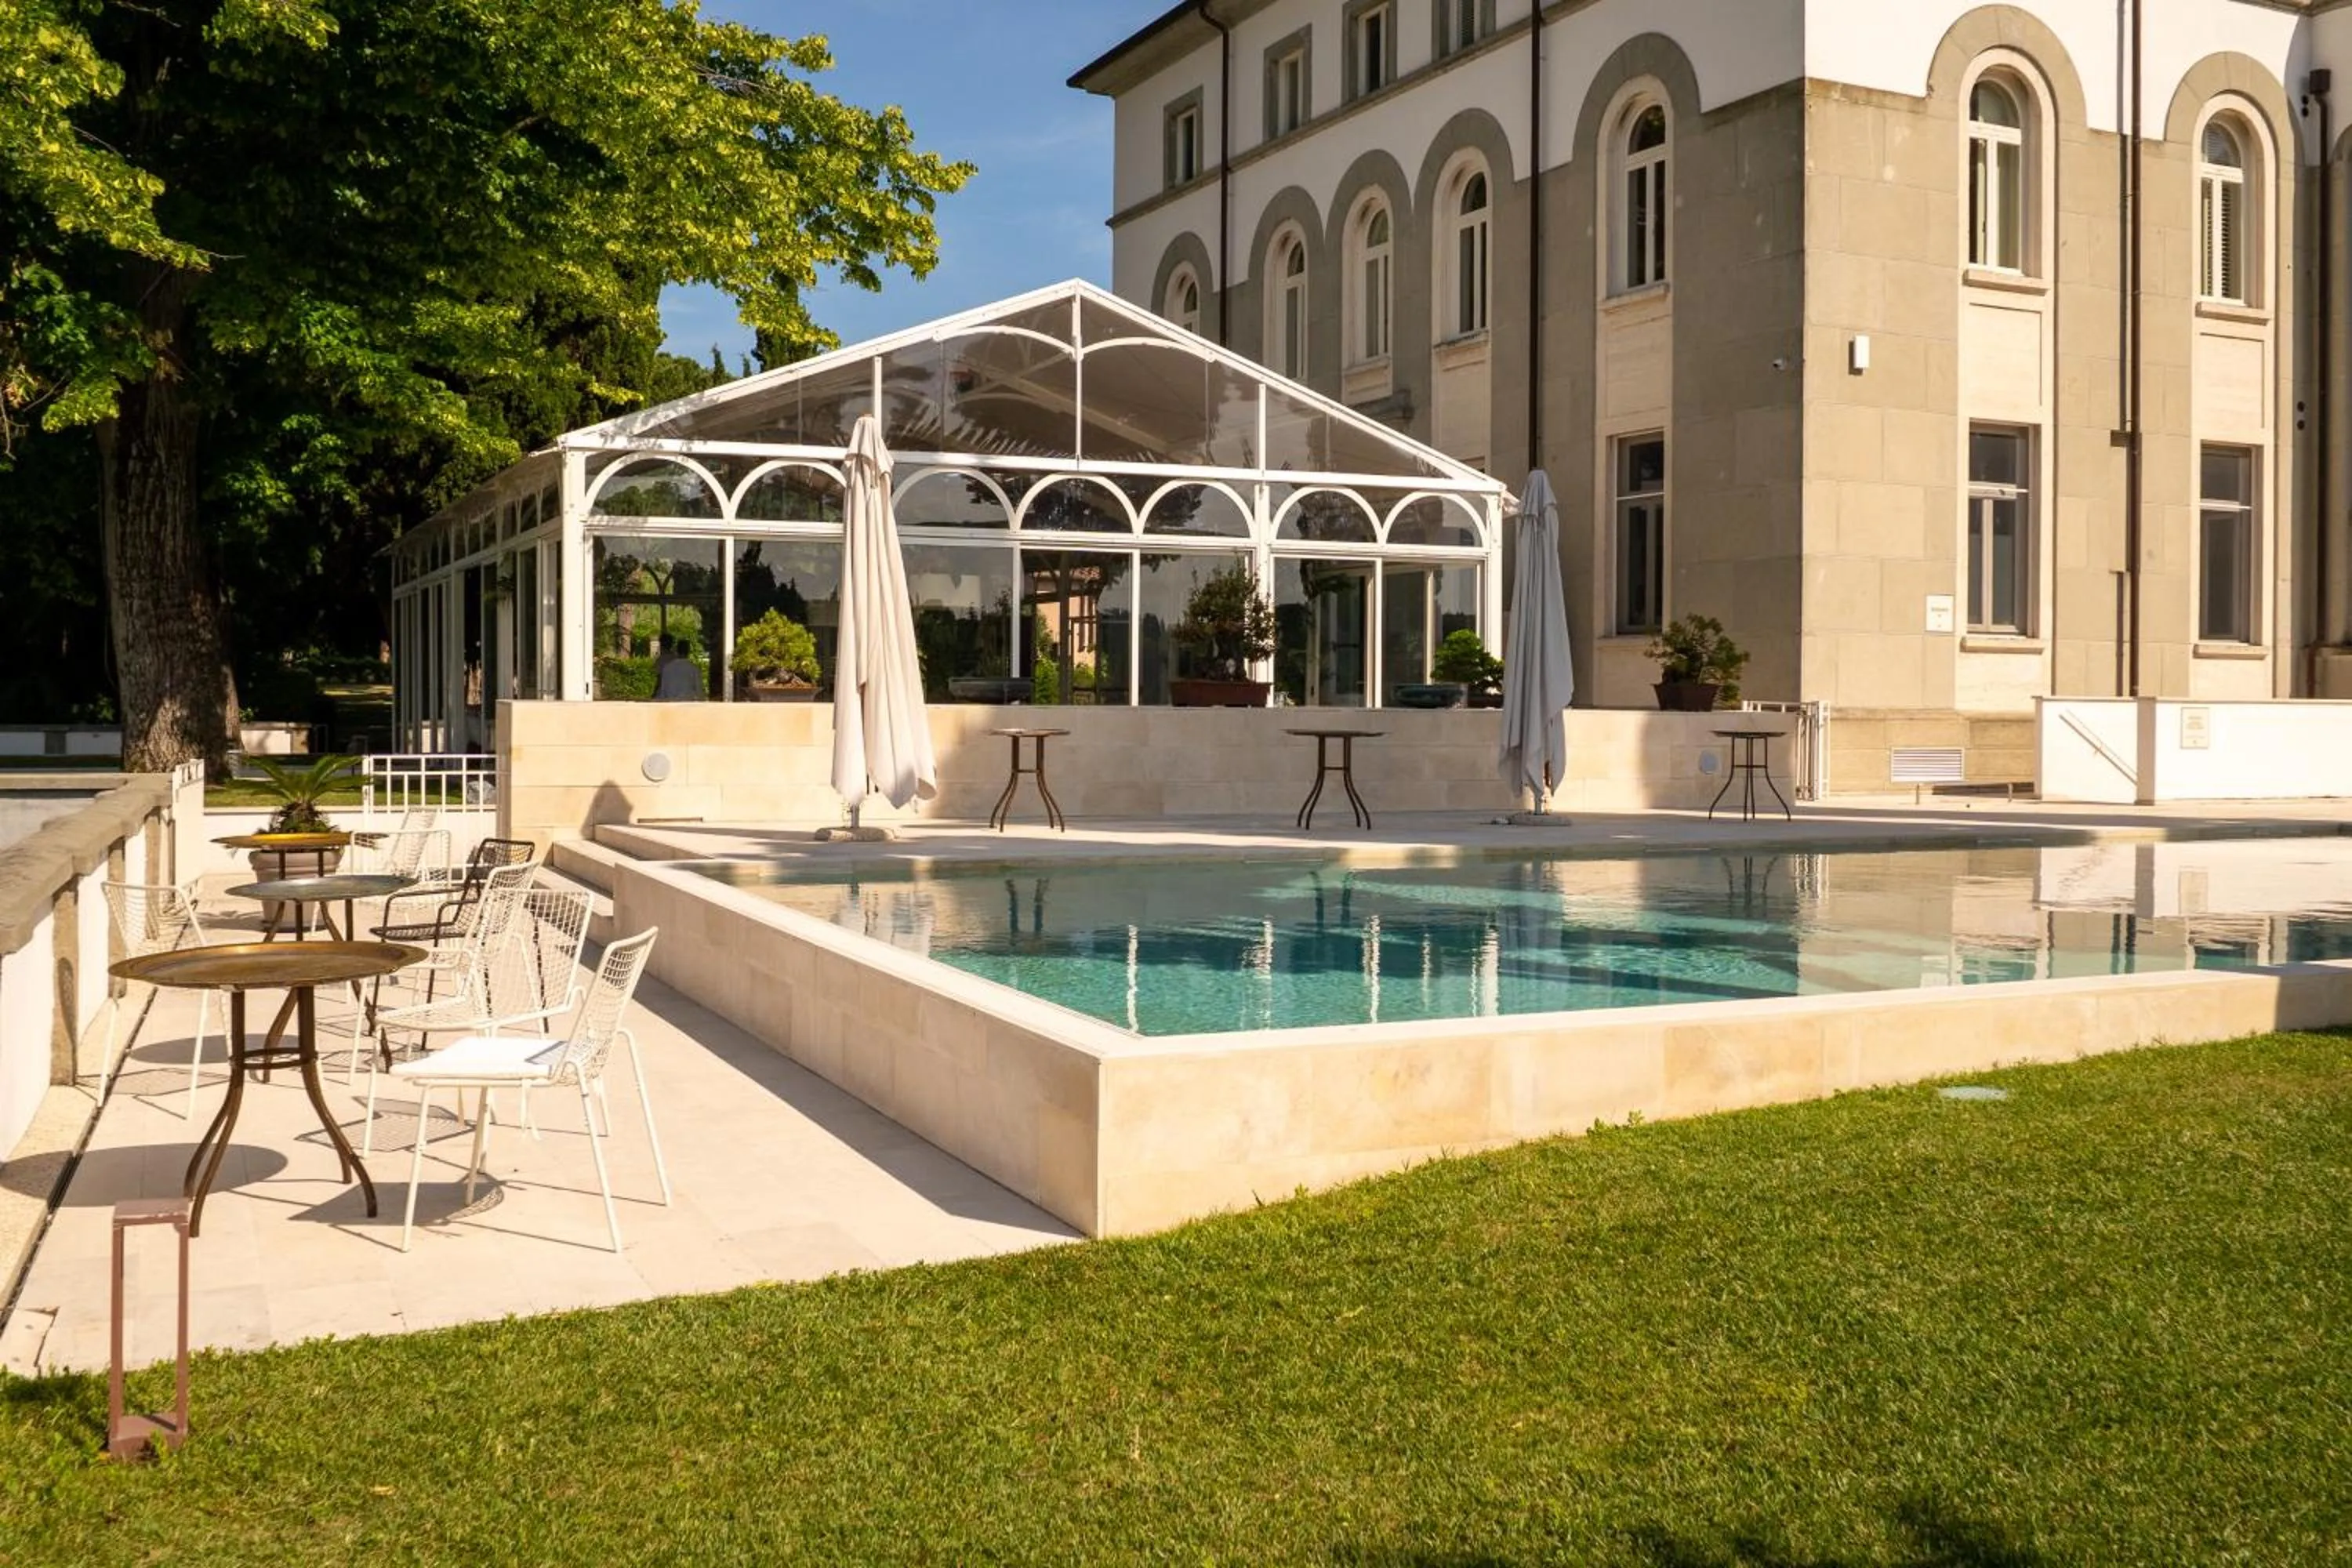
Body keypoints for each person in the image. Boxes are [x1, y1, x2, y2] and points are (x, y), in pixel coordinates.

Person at [654, 635, 704, 701]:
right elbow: (699, 693)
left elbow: (663, 691)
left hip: (671, 706)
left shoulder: (667, 668)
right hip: (688, 705)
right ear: (688, 651)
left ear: (677, 650)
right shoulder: (694, 669)